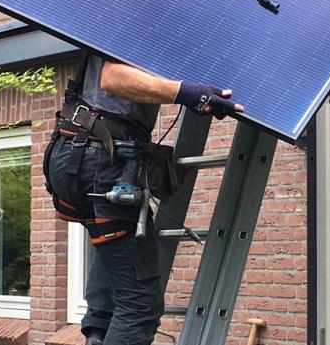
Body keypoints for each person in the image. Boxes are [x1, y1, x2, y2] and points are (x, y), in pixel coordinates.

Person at [44, 54, 243, 345]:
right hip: (99, 155)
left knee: (115, 276)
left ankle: (98, 334)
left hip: (78, 148)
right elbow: (114, 78)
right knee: (140, 304)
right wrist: (186, 92)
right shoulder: (137, 13)